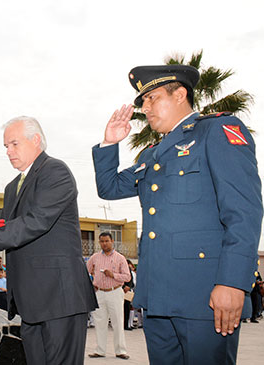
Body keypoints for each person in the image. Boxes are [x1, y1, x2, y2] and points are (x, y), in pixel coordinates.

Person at [92, 64, 263, 364]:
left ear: (180, 94)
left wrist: (233, 282)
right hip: (158, 299)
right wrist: (109, 142)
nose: (145, 108)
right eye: (142, 102)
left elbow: (244, 212)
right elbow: (109, 188)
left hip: (205, 296)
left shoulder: (217, 132)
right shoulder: (152, 154)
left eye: (152, 98)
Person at [0, 116, 97, 364]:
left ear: (35, 140)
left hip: (59, 298)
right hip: (30, 301)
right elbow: (7, 230)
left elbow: (35, 222)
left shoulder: (55, 171)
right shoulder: (13, 187)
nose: (8, 152)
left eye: (14, 144)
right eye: (5, 147)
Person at [86, 232, 131, 359]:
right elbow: (85, 272)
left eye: (106, 241)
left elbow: (127, 277)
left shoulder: (120, 258)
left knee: (117, 322)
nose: (104, 244)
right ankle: (100, 350)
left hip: (115, 292)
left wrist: (113, 275)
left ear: (112, 241)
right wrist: (91, 284)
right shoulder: (94, 258)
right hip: (99, 292)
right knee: (100, 322)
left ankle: (120, 351)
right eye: (102, 241)